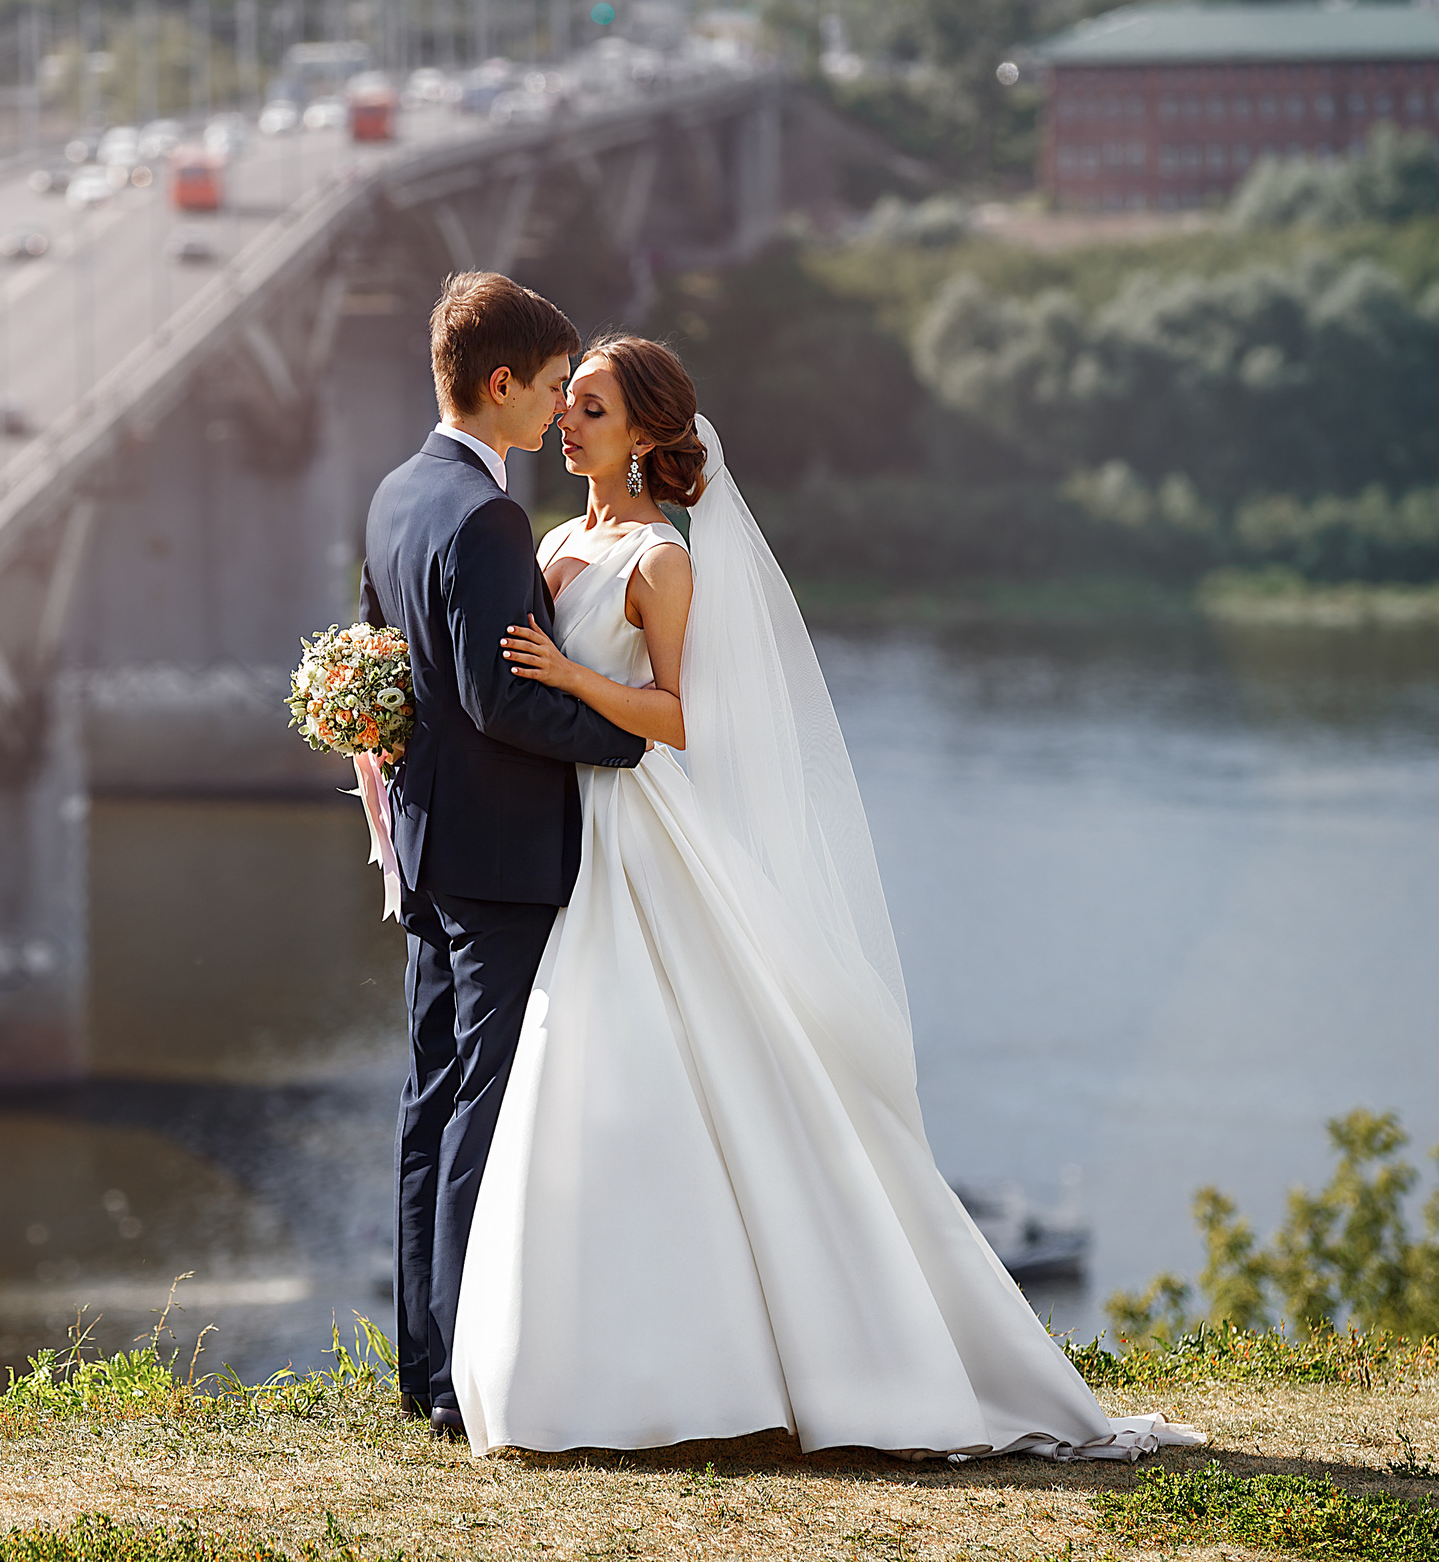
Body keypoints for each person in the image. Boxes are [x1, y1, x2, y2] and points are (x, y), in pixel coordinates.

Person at [444, 332, 1202, 1461]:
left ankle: (747, 1369)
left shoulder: (661, 558)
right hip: (565, 830)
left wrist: (572, 676)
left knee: (649, 1058)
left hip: (636, 828)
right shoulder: (554, 539)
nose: (568, 423)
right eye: (570, 405)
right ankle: (589, 1371)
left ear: (643, 434)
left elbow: (686, 718)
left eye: (592, 408)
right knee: (583, 1078)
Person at [354, 273, 649, 1437]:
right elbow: (497, 697)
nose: (559, 410)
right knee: (482, 1106)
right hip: (497, 860)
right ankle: (461, 1382)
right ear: (499, 383)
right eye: (550, 387)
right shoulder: (485, 518)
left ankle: (422, 1370)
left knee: (430, 1103)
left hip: (429, 848)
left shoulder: (395, 493)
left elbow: (377, 666)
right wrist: (625, 740)